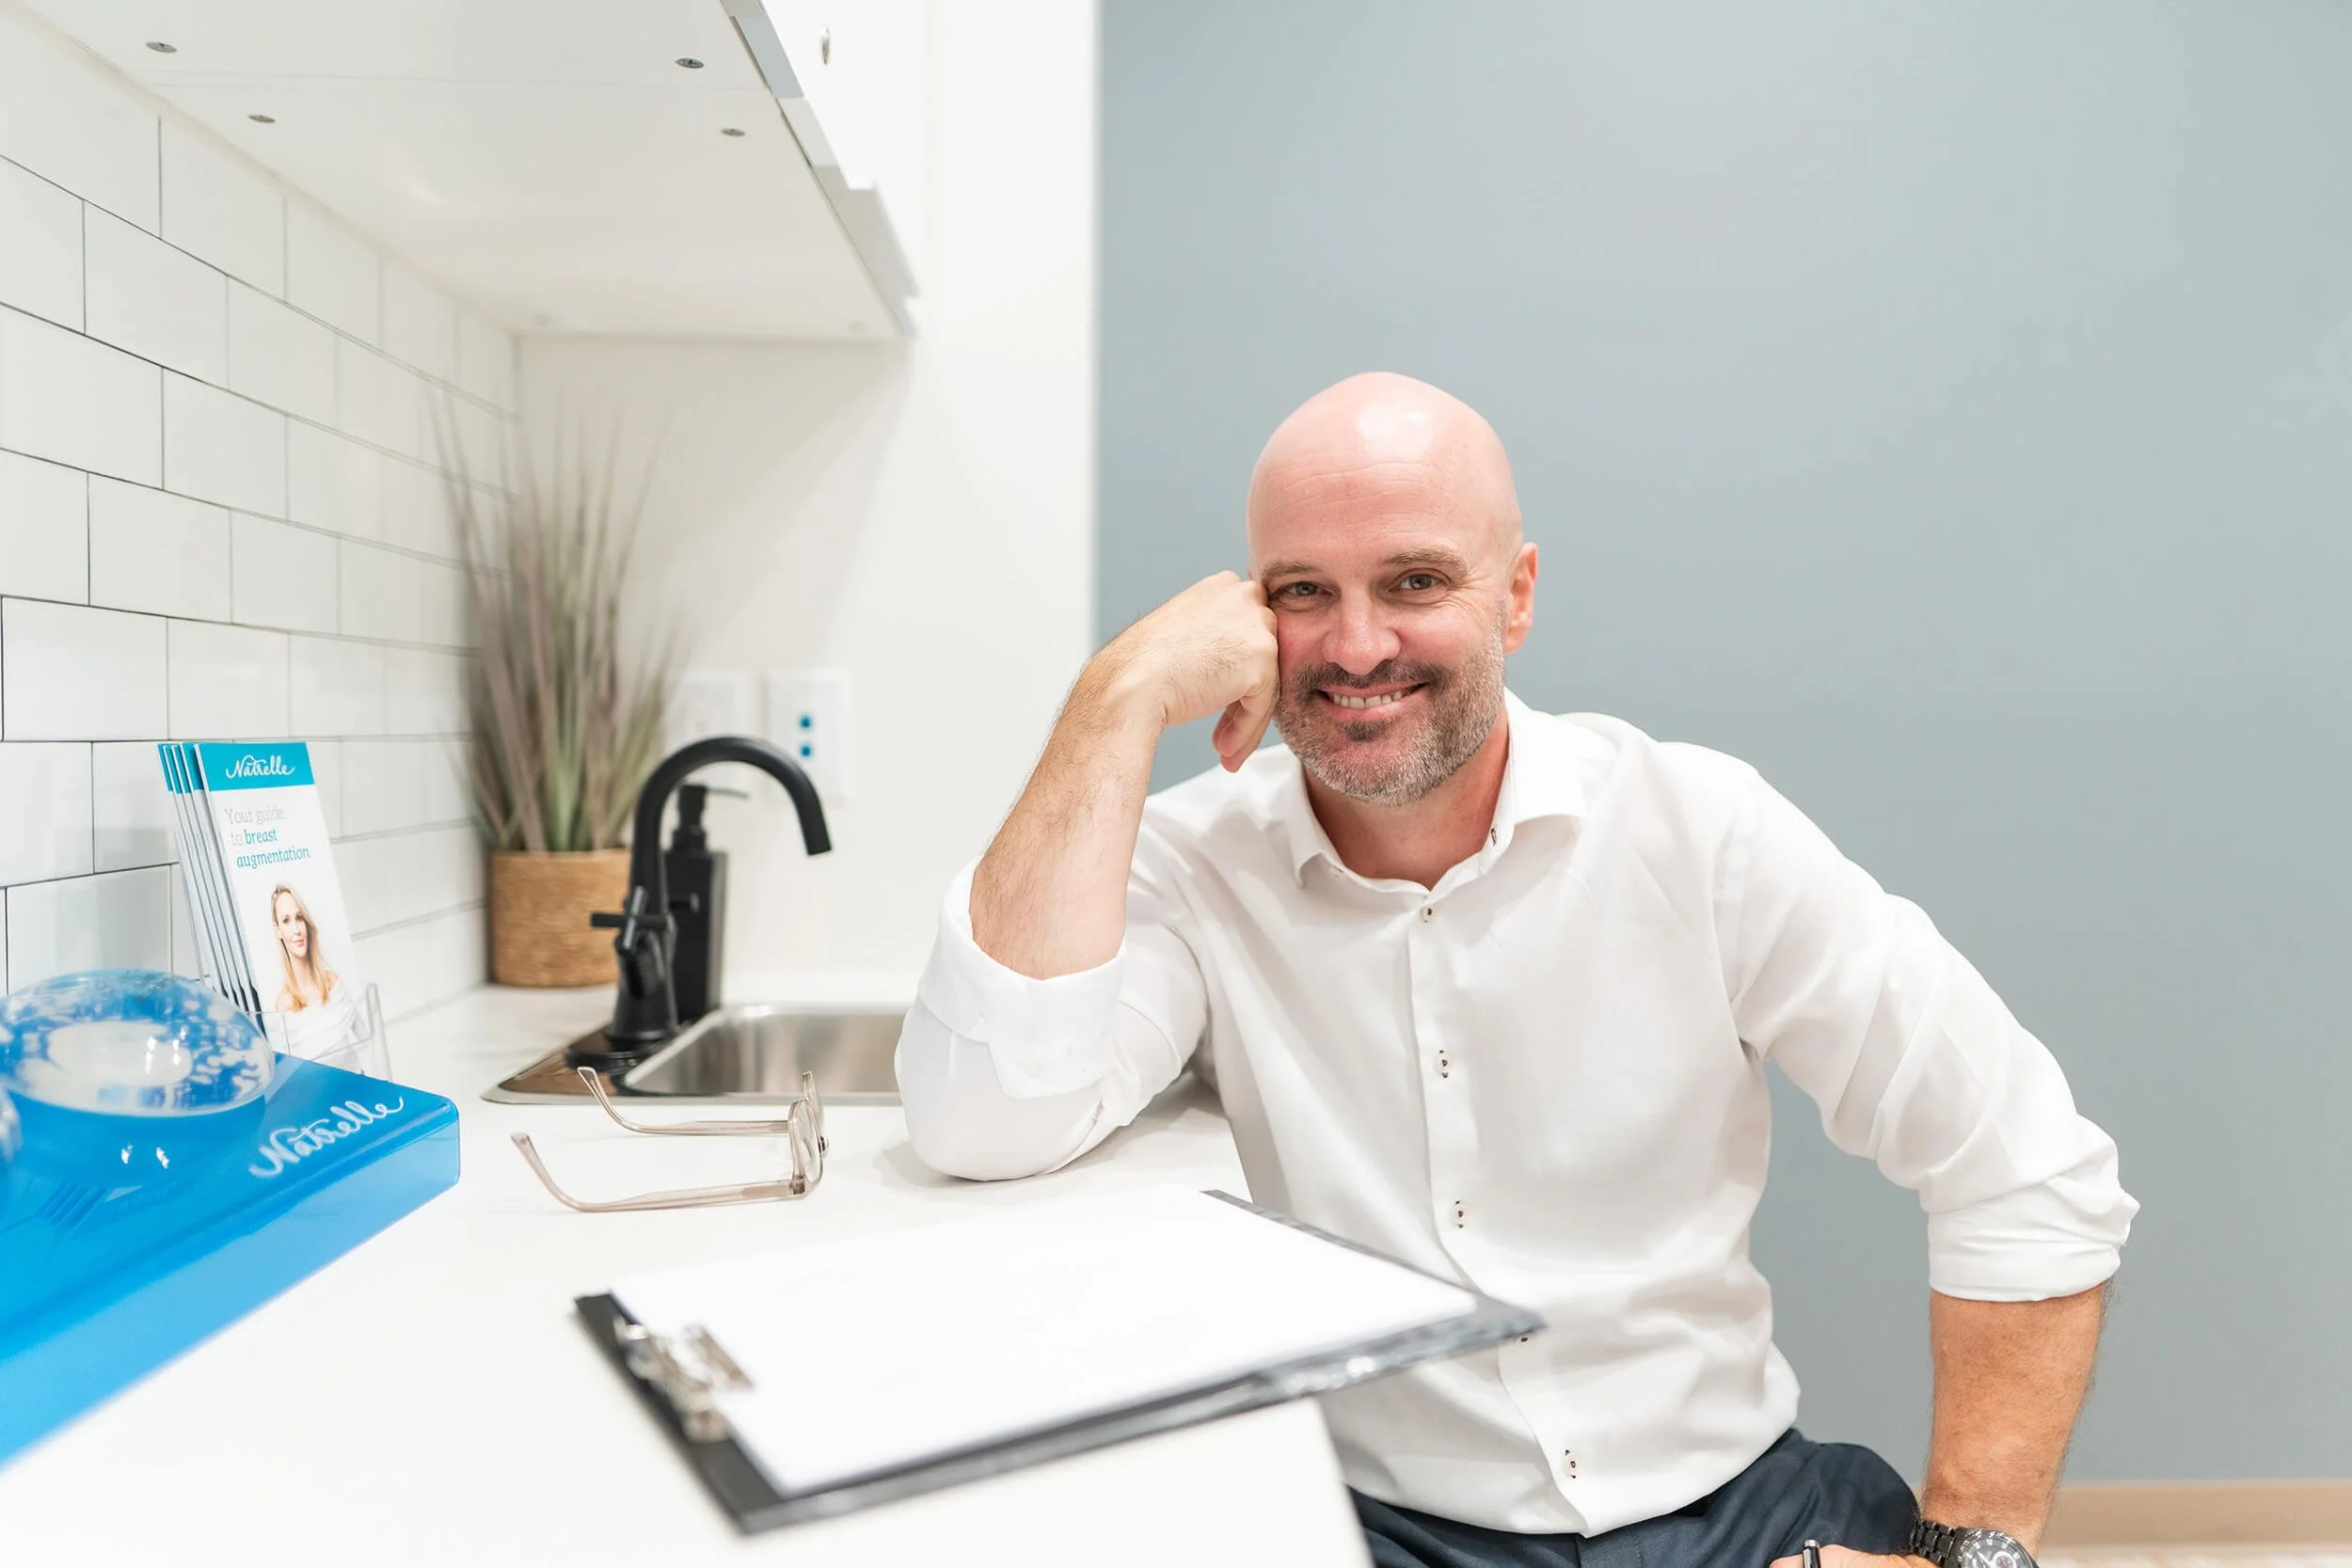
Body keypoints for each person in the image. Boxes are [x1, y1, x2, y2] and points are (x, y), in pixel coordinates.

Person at [895, 372, 2135, 1568]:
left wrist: (1968, 1551)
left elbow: (2024, 1164)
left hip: (1741, 1508)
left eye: (1416, 579)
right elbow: (989, 1117)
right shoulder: (1192, 863)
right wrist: (1113, 698)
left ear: (1517, 595)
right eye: (1303, 591)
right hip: (1385, 1522)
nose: (1357, 641)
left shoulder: (1697, 828)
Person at [269, 882, 358, 1055]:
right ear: (278, 930)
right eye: (286, 921)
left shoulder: (333, 983)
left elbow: (367, 1043)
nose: (296, 930)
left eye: (299, 918)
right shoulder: (284, 1005)